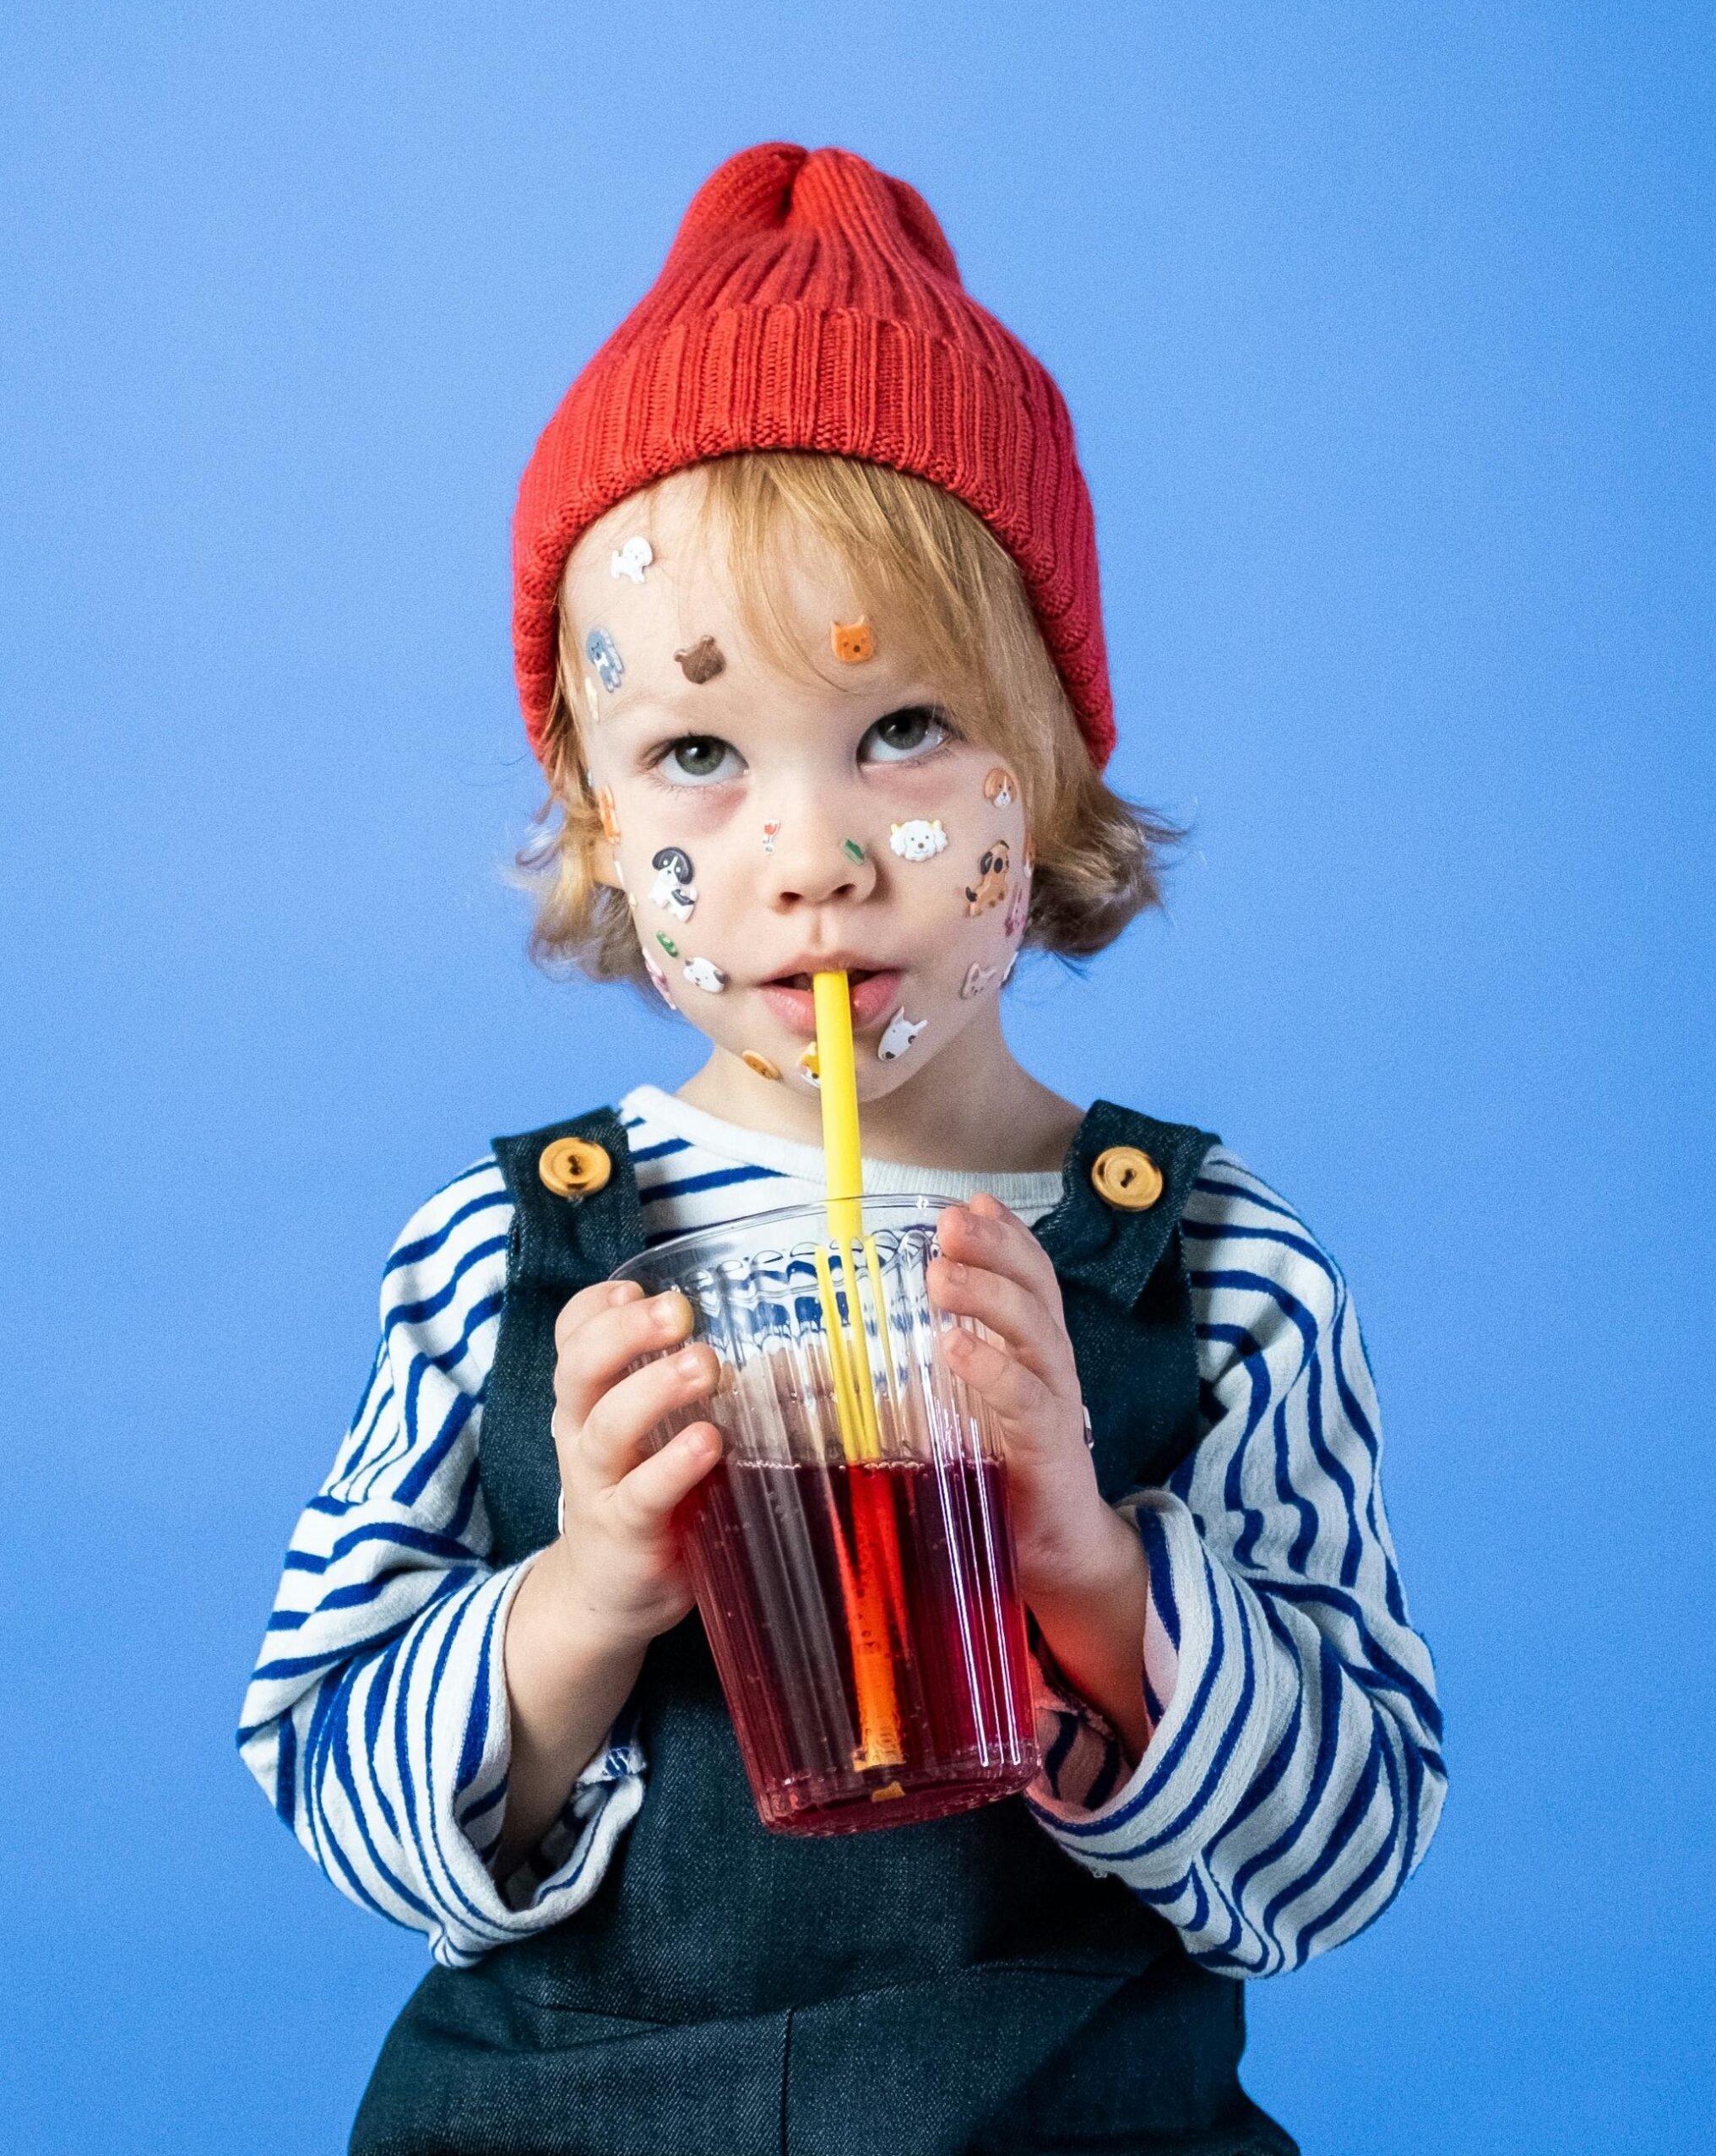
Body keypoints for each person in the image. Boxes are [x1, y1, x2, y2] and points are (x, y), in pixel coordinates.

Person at [238, 142, 1446, 2155]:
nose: (810, 857)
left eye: (902, 731)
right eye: (699, 752)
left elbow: (1345, 1856)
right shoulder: (497, 1250)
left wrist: (1088, 1560)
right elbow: (332, 1778)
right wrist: (587, 1590)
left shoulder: (1226, 1265)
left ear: (1049, 762)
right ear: (602, 823)